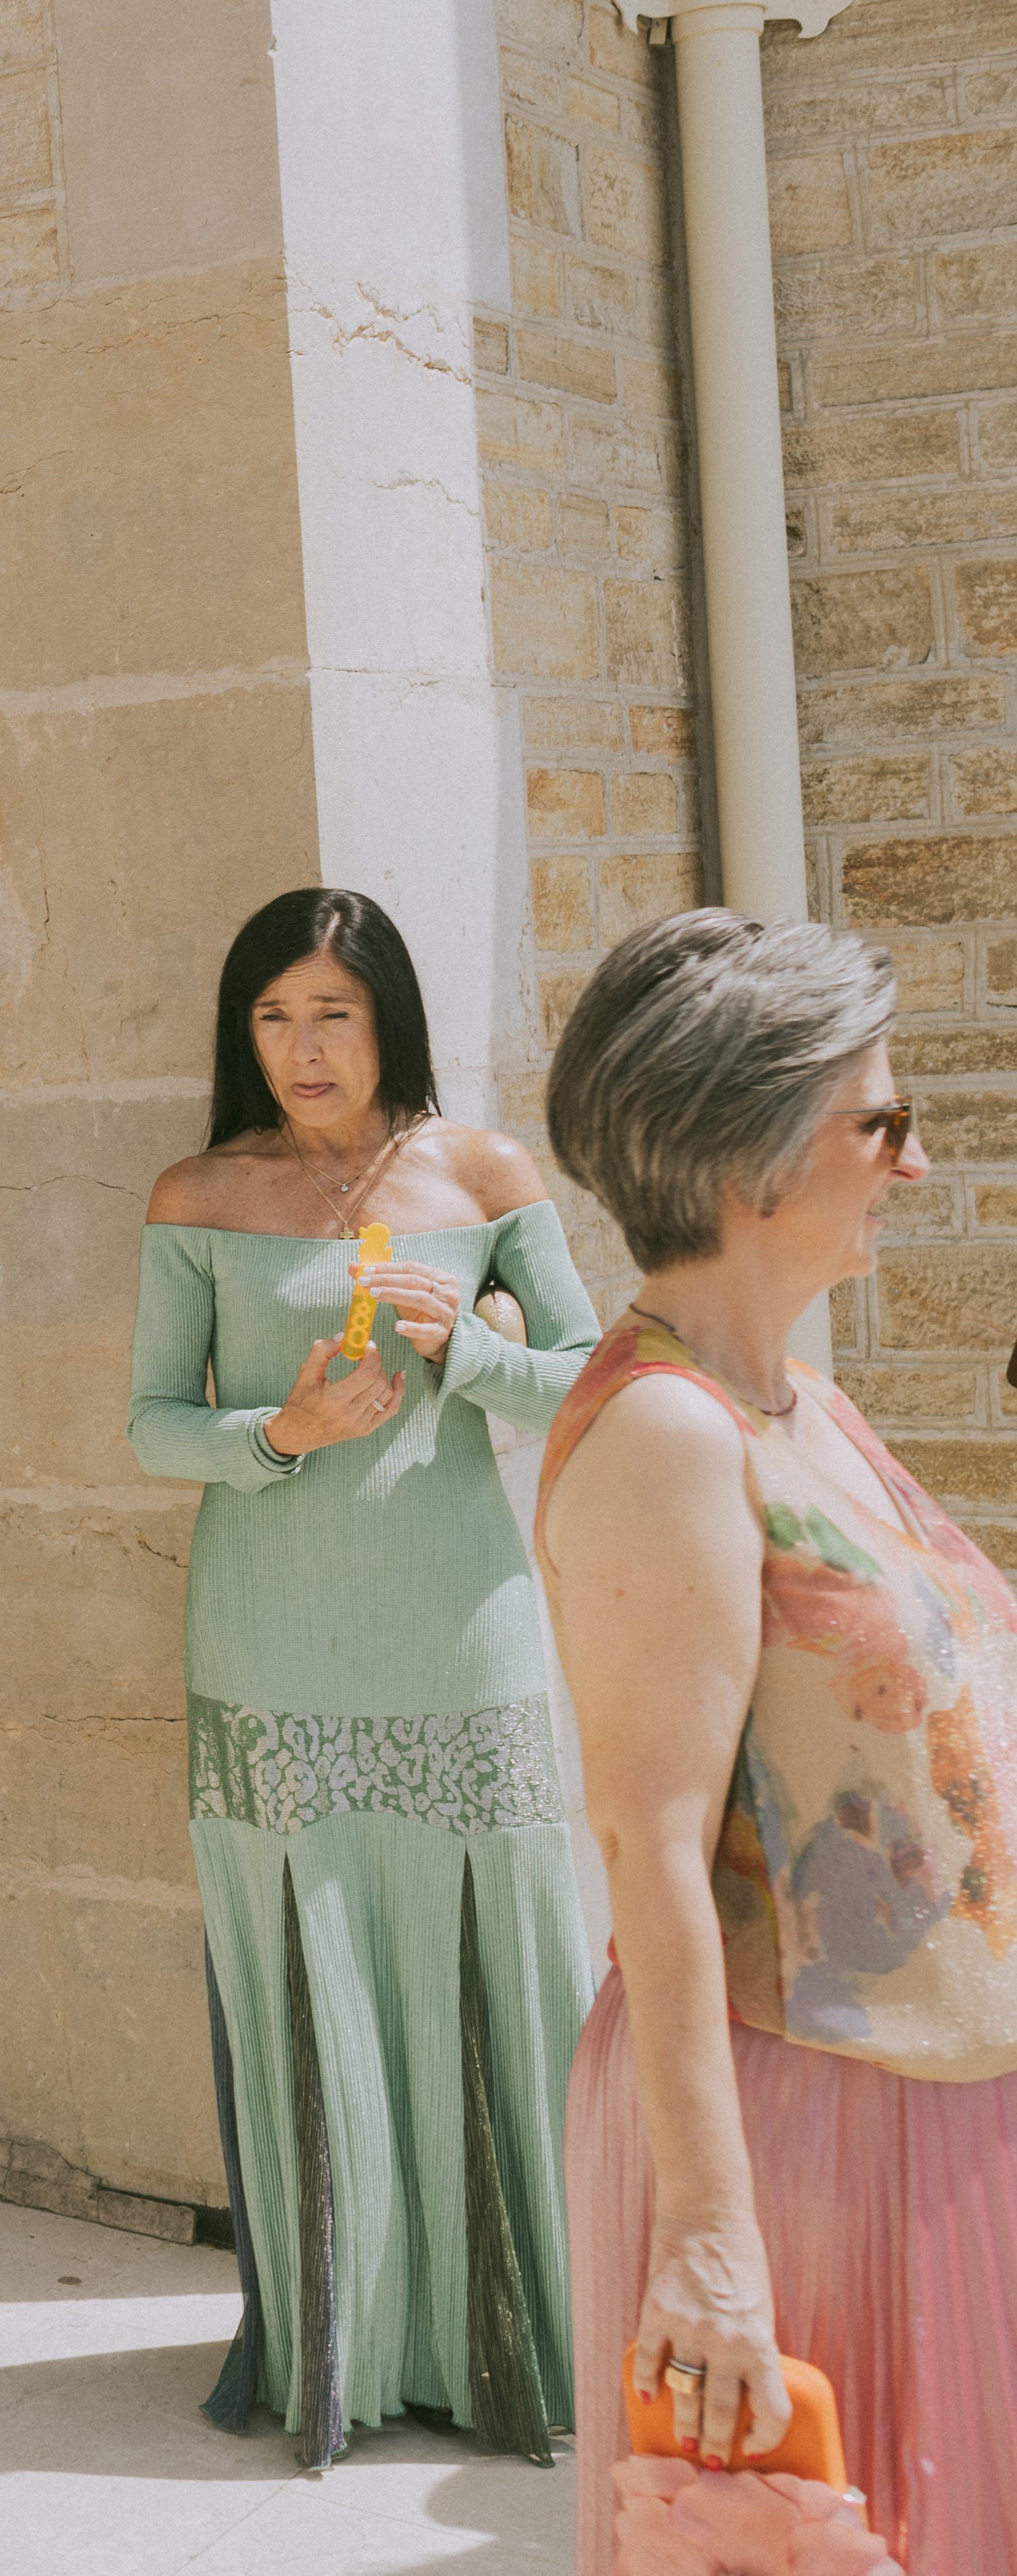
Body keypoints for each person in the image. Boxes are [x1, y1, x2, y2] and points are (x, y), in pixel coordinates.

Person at [538, 910, 1016, 2572]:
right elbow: (645, 1842)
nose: (913, 1154)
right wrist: (710, 2240)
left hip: (921, 2096)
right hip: (794, 2130)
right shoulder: (666, 1432)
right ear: (745, 1149)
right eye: (876, 1119)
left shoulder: (799, 1403)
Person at [132, 886, 604, 2468]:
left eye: (330, 1012)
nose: (302, 1047)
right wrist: (279, 1434)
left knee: (507, 1955)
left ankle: (522, 2348)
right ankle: (346, 2344)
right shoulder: (200, 1189)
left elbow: (596, 1376)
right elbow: (146, 1421)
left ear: (386, 1014)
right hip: (269, 1632)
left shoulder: (481, 1172)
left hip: (461, 1626)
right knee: (304, 1959)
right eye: (272, 1015)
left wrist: (463, 1350)